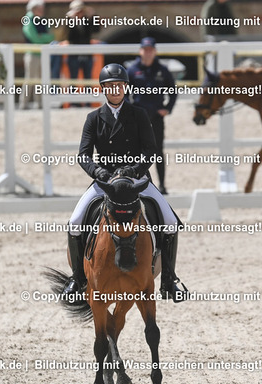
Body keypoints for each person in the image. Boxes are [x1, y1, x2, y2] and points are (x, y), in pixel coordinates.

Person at [64, 63, 188, 303]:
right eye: (110, 86)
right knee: (75, 222)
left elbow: (150, 150)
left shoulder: (139, 115)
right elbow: (83, 155)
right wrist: (98, 172)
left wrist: (135, 169)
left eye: (119, 85)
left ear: (126, 87)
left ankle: (169, 280)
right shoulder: (93, 118)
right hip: (106, 181)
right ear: (103, 89)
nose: (115, 90)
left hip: (136, 180)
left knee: (171, 222)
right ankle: (77, 279)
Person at [127, 37, 177, 195]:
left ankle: (162, 185)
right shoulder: (132, 70)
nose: (148, 53)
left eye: (150, 50)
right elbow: (124, 93)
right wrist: (130, 111)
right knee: (136, 151)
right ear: (140, 51)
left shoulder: (162, 70)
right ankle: (137, 183)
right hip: (138, 118)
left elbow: (173, 91)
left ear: (155, 51)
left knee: (158, 151)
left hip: (156, 117)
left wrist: (167, 108)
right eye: (145, 49)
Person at [21, 0, 54, 109]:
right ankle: (23, 103)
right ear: (34, 8)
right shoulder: (28, 19)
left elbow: (51, 36)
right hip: (32, 54)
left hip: (43, 53)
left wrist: (42, 37)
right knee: (29, 79)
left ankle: (39, 103)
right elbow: (34, 37)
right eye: (40, 8)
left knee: (41, 79)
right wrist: (44, 38)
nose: (42, 10)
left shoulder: (43, 20)